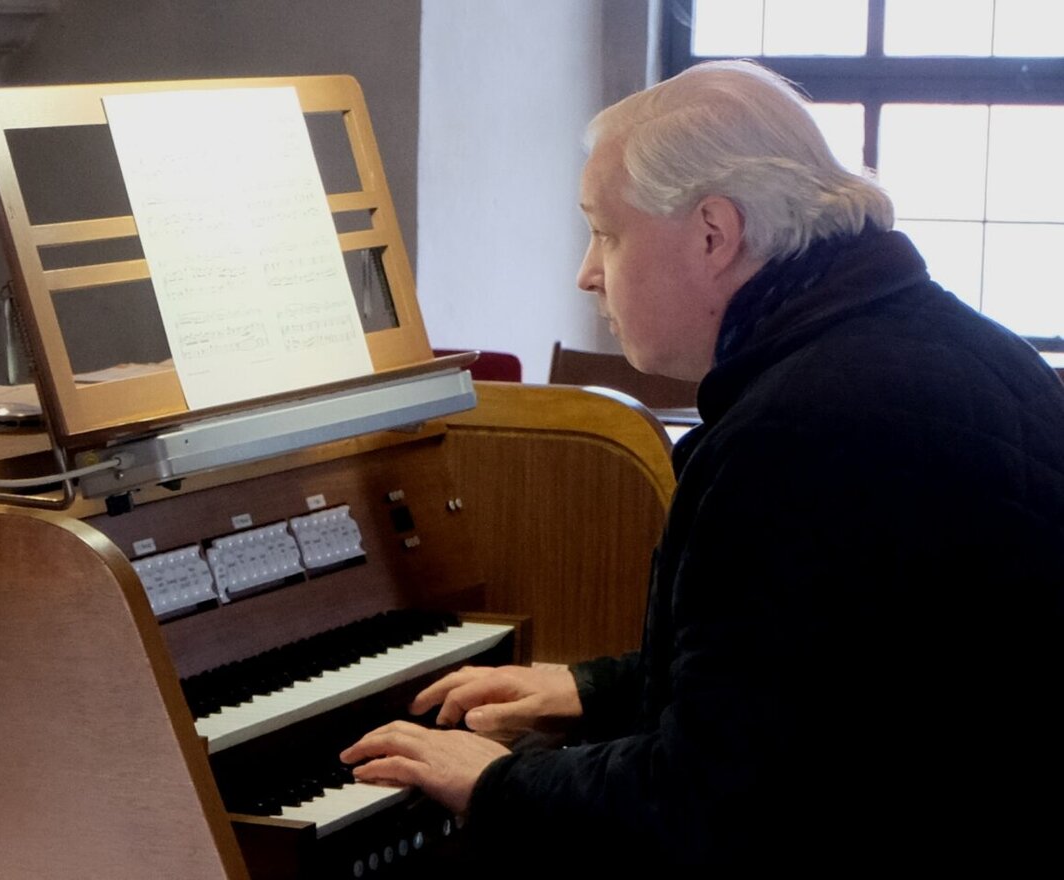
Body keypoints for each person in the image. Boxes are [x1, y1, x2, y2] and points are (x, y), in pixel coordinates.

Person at [341, 59, 1064, 874]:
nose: (586, 273)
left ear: (714, 235)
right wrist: (599, 689)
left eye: (604, 233)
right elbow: (830, 670)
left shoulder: (805, 430)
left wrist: (504, 784)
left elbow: (709, 810)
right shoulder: (927, 341)